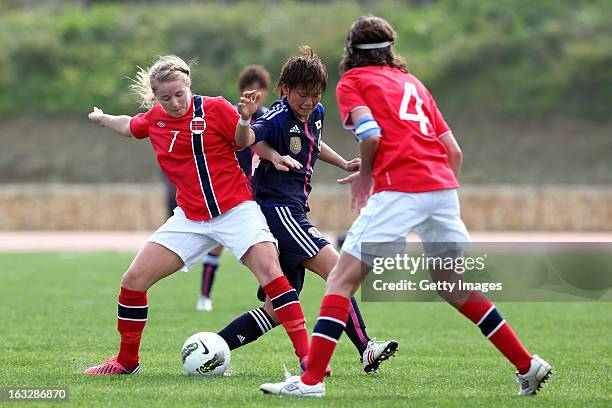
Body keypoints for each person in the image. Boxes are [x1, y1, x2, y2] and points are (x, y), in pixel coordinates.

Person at [260, 16, 552, 397]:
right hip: (443, 188)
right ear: (389, 49)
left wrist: (368, 178)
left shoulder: (353, 82)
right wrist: (439, 193)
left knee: (340, 281)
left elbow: (370, 133)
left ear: (351, 50)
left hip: (401, 190)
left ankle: (311, 382)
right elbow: (453, 151)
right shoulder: (413, 84)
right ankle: (527, 365)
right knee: (454, 287)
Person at [83, 55, 310, 375]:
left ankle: (307, 358)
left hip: (236, 210)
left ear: (189, 86)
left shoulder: (215, 108)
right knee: (133, 281)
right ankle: (126, 362)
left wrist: (244, 119)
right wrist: (103, 117)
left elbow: (244, 142)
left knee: (273, 276)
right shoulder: (155, 119)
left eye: (180, 94)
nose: (174, 102)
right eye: (165, 97)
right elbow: (129, 125)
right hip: (190, 218)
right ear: (155, 97)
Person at [224, 46, 398, 374]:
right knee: (338, 273)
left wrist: (344, 162)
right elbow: (244, 140)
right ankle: (366, 347)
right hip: (279, 212)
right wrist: (245, 117)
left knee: (277, 309)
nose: (309, 102)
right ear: (285, 89)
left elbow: (313, 143)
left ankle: (211, 346)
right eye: (303, 95)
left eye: (316, 95)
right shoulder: (275, 117)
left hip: (295, 210)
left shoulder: (315, 114)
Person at [195, 64, 272, 312]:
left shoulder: (271, 116)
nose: (254, 93)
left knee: (267, 244)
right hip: (234, 188)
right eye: (250, 88)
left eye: (259, 89)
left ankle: (271, 290)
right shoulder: (231, 114)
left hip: (264, 188)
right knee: (217, 243)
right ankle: (204, 296)